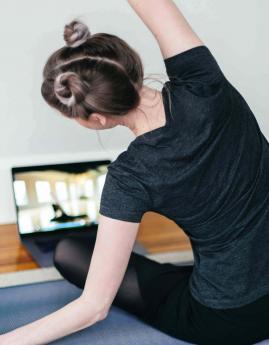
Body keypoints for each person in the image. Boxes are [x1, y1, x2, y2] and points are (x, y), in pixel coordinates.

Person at [1, 1, 269, 344]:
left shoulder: (130, 176)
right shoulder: (204, 80)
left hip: (232, 319)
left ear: (96, 119)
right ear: (129, 65)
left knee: (69, 251)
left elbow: (93, 307)